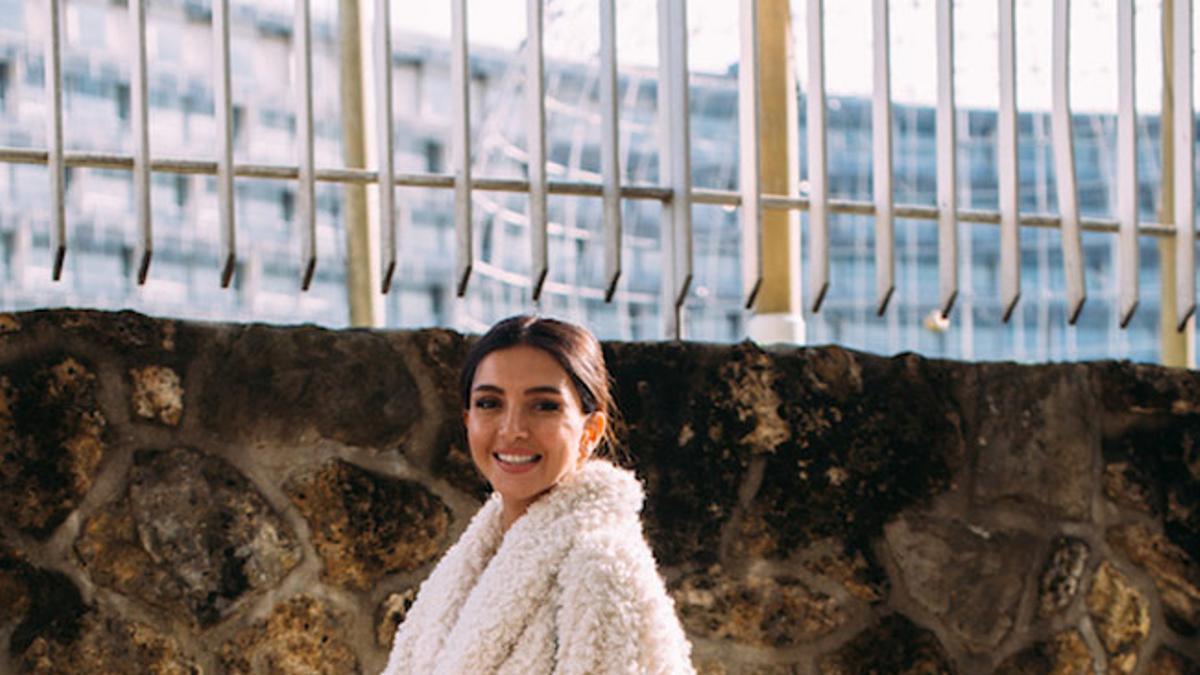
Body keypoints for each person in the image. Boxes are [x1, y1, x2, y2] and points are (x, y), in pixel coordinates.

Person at [382, 315, 695, 674]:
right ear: (467, 419)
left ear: (590, 430)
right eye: (489, 403)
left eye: (545, 405)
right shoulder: (470, 564)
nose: (513, 429)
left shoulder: (600, 568)